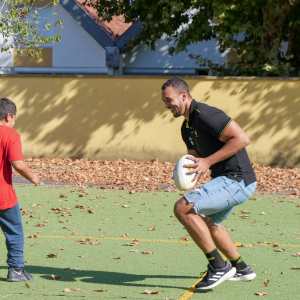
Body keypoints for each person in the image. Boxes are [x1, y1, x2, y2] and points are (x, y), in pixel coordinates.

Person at [161, 78, 257, 290]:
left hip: (237, 179)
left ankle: (218, 265)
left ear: (183, 95)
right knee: (204, 221)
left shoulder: (206, 114)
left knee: (182, 208)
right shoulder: (186, 128)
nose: (166, 105)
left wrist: (208, 161)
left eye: (169, 100)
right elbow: (194, 163)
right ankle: (242, 269)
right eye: (164, 101)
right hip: (225, 180)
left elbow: (242, 139)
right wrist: (185, 178)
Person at [0, 98, 39, 282]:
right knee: (14, 231)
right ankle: (16, 270)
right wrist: (33, 177)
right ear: (9, 116)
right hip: (3, 196)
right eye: (14, 118)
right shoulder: (10, 135)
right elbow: (17, 164)